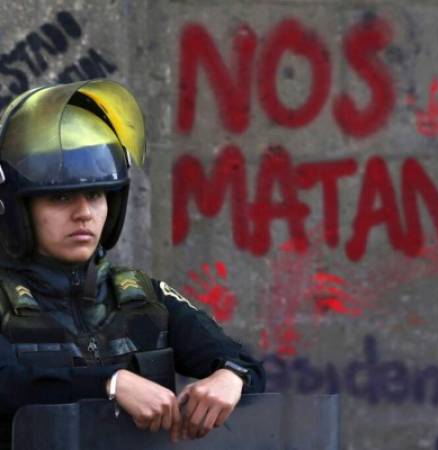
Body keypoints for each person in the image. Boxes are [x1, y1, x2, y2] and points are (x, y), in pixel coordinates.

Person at [0, 79, 265, 449]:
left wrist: (231, 377)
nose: (84, 214)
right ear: (18, 210)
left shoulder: (141, 297)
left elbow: (242, 359)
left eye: (95, 194)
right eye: (59, 197)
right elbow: (9, 381)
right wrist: (111, 383)